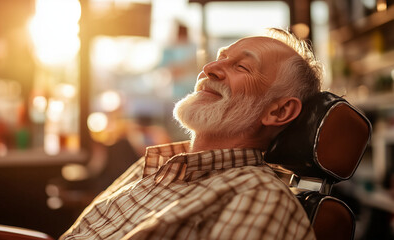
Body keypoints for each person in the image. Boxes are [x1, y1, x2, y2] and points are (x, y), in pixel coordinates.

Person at [60, 28, 322, 240]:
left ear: (279, 111)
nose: (209, 67)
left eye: (242, 67)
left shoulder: (261, 196)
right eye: (220, 58)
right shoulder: (156, 164)